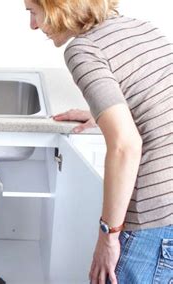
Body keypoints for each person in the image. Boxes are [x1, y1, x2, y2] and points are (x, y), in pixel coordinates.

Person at [24, 0, 173, 283]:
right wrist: (106, 114)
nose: (32, 25)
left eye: (33, 12)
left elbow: (126, 146)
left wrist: (108, 237)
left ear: (57, 6)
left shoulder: (83, 49)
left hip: (157, 216)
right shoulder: (141, 28)